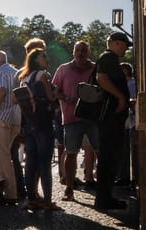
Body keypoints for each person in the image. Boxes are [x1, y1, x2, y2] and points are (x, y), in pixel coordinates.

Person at [52, 41, 99, 201]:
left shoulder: (95, 68)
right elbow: (54, 89)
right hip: (71, 118)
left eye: (83, 50)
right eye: (78, 50)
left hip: (93, 118)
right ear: (73, 52)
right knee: (71, 152)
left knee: (100, 151)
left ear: (88, 52)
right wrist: (64, 97)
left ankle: (104, 188)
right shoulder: (63, 69)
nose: (80, 53)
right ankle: (69, 188)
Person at [15, 49, 60, 210]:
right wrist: (56, 93)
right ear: (35, 59)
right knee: (44, 163)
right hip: (43, 122)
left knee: (30, 163)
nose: (46, 59)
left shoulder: (23, 78)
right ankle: (47, 201)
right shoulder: (42, 75)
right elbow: (50, 97)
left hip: (29, 123)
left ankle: (32, 199)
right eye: (43, 56)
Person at [93, 32, 132, 210]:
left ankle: (105, 197)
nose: (126, 48)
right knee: (109, 157)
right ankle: (103, 199)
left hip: (111, 116)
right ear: (116, 43)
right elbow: (101, 78)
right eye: (124, 45)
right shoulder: (108, 57)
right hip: (110, 116)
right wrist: (121, 98)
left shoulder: (109, 58)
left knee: (110, 157)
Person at [0, 50, 21, 205]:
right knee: (3, 155)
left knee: (3, 156)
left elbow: (1, 91)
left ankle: (11, 193)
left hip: (1, 117)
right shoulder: (15, 72)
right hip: (15, 118)